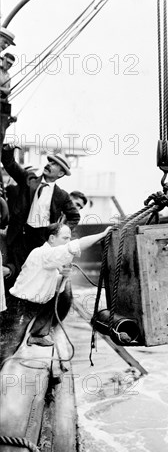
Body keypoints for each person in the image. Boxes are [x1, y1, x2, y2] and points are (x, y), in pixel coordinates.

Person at [3, 223, 111, 346]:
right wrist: (102, 235)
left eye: (69, 238)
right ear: (52, 238)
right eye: (65, 238)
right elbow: (74, 246)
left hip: (34, 304)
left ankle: (37, 335)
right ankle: (32, 337)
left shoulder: (52, 261)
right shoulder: (43, 254)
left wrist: (64, 276)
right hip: (20, 306)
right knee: (10, 345)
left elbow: (56, 289)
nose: (68, 241)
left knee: (53, 300)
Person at [1, 144, 80, 280]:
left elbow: (74, 216)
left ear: (60, 173)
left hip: (42, 238)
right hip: (21, 235)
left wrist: (60, 231)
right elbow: (10, 165)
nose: (49, 164)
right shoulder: (28, 180)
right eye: (50, 161)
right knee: (17, 271)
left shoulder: (62, 195)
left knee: (38, 274)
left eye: (54, 164)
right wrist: (8, 150)